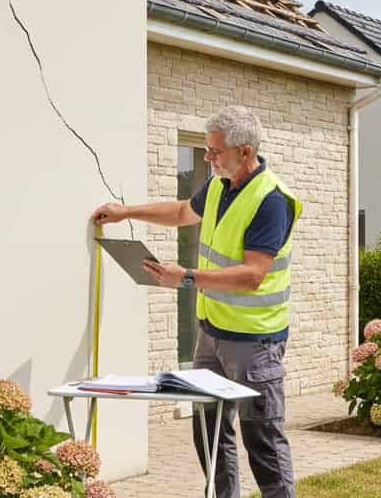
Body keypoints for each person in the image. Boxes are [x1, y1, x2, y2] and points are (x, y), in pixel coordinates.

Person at [92, 105, 302, 498]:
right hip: (211, 335)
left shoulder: (271, 199)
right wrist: (127, 212)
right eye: (206, 149)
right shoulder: (221, 186)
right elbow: (184, 211)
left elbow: (253, 274)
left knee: (263, 442)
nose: (206, 157)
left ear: (244, 151)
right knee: (209, 434)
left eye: (214, 151)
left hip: (255, 344)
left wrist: (187, 277)